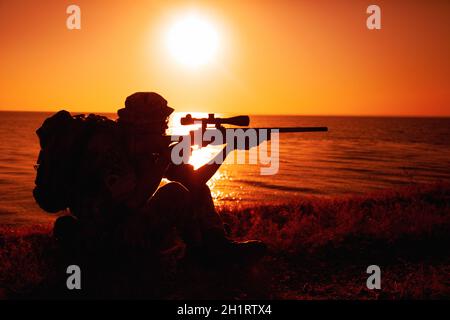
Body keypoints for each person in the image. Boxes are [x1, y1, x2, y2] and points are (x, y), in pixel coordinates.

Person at [54, 92, 266, 264]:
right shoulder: (109, 148)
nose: (164, 127)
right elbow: (131, 203)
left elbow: (195, 183)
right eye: (161, 121)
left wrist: (226, 149)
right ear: (143, 123)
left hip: (120, 224)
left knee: (193, 189)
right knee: (174, 192)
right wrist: (164, 158)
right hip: (106, 234)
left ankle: (214, 245)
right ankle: (125, 261)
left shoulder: (144, 148)